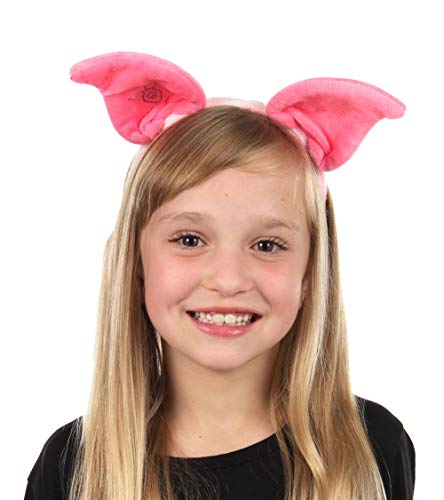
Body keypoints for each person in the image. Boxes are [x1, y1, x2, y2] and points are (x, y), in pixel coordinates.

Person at [24, 52, 416, 500]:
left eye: (267, 245)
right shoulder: (72, 466)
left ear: (311, 272)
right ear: (136, 263)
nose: (228, 280)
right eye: (189, 239)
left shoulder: (370, 447)